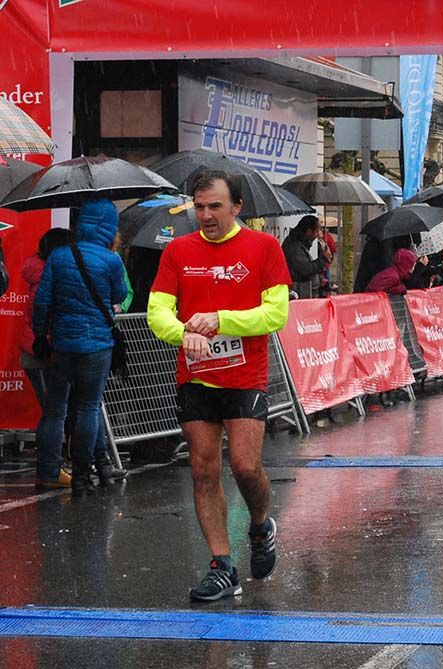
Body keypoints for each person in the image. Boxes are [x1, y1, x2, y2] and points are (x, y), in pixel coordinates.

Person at [148, 171, 291, 601]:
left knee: (246, 467)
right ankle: (222, 566)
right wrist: (182, 333)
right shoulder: (178, 250)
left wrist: (221, 319)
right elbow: (158, 311)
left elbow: (276, 313)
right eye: (199, 206)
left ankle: (261, 523)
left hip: (244, 376)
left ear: (237, 207)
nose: (206, 215)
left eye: (215, 206)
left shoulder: (263, 248)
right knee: (203, 469)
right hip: (196, 376)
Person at [32, 200, 128, 498]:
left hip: (62, 342)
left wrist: (40, 335)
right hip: (97, 344)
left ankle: (48, 470)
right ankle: (83, 476)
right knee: (88, 407)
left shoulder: (60, 256)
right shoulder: (111, 260)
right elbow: (120, 293)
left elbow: (43, 301)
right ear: (111, 226)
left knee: (54, 409)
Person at [20, 228, 74, 489]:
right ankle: (51, 470)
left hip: (34, 349)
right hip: (45, 350)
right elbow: (46, 312)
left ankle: (51, 468)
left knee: (52, 412)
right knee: (54, 413)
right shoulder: (49, 277)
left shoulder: (38, 270)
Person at [281, 214, 329, 299]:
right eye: (316, 232)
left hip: (303, 291)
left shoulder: (299, 244)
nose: (318, 235)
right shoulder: (294, 247)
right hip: (299, 292)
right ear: (309, 232)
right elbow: (305, 269)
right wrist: (323, 259)